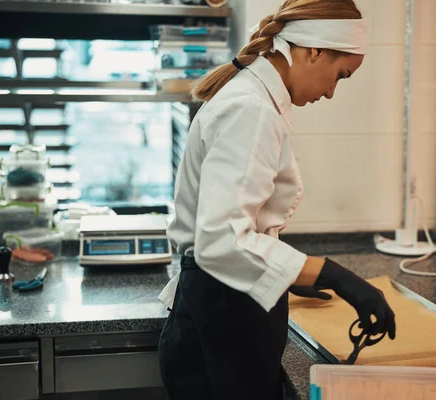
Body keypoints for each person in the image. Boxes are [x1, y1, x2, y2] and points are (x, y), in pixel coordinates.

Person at [157, 0, 396, 399]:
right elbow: (221, 241)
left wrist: (283, 275)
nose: (333, 92)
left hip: (222, 310)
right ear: (313, 50)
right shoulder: (251, 110)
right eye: (340, 75)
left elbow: (233, 229)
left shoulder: (253, 97)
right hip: (220, 322)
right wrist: (333, 275)